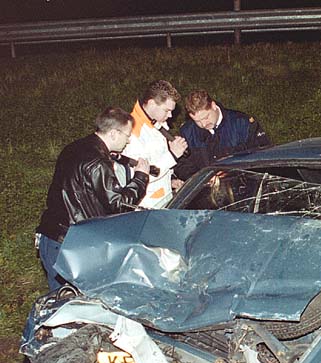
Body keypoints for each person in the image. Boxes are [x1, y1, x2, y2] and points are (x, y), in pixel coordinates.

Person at [36, 107, 150, 290]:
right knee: (74, 304)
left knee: (58, 300)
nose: (128, 141)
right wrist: (140, 177)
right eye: (127, 135)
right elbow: (119, 205)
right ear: (113, 133)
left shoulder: (76, 147)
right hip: (72, 244)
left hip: (51, 237)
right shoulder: (97, 162)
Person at [173, 89, 271, 179]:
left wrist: (231, 173)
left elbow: (262, 156)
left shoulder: (243, 123)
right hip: (206, 189)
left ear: (213, 106)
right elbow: (182, 165)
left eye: (206, 117)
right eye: (197, 121)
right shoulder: (187, 131)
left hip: (241, 185)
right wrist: (202, 178)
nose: (203, 124)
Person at [123, 80, 188, 208]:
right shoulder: (133, 133)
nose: (170, 115)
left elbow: (156, 158)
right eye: (166, 110)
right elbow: (139, 175)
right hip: (148, 204)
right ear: (152, 104)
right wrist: (173, 155)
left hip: (163, 197)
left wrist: (170, 181)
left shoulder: (154, 121)